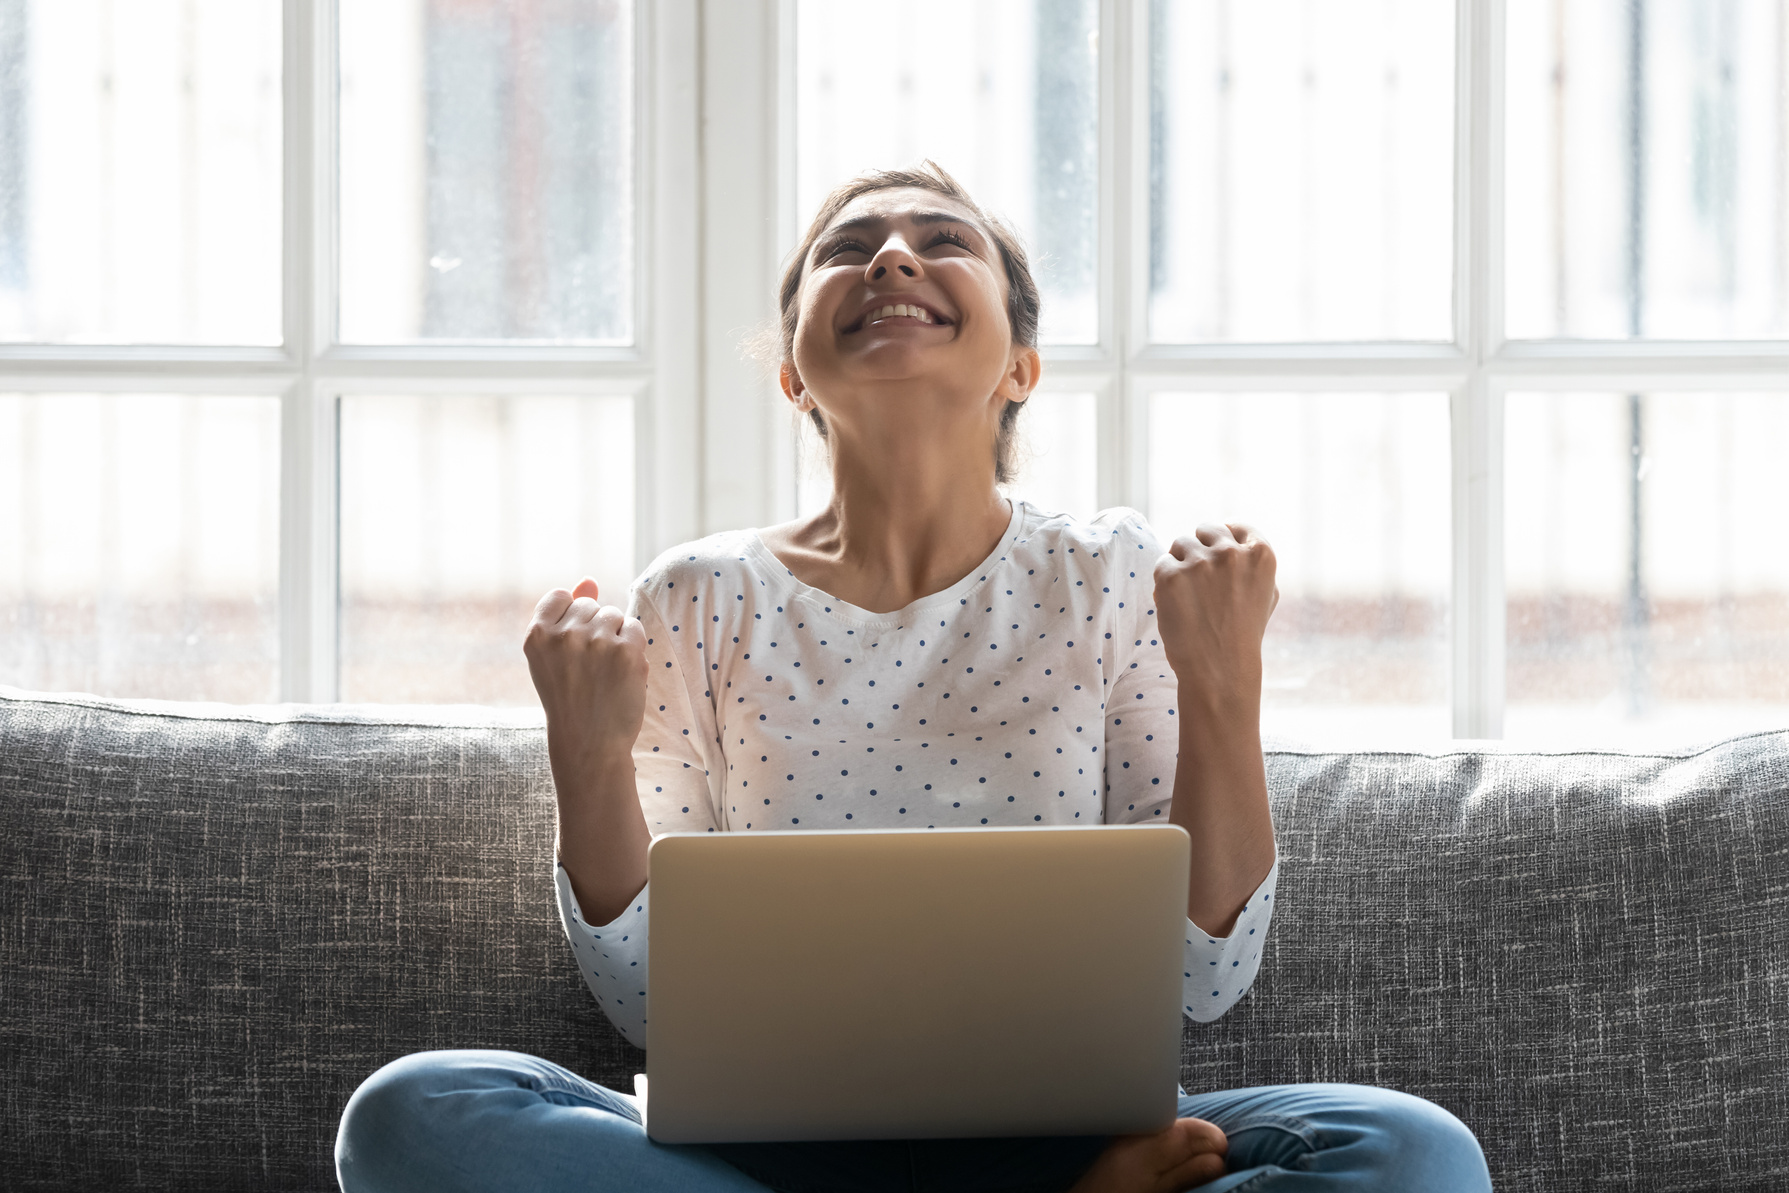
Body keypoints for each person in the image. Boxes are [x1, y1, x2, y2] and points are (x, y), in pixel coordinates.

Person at [335, 162, 1492, 1193]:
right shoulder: (694, 596)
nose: (891, 256)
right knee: (415, 1112)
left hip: (1065, 1135)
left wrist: (1224, 680)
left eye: (942, 242)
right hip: (762, 1152)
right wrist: (585, 756)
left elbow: (1207, 971)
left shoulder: (1110, 572)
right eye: (848, 248)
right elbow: (645, 1003)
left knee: (1410, 1153)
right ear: (792, 374)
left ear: (1019, 367)